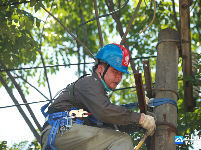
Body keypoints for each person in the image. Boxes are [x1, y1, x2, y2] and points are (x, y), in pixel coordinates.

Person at [41, 43, 156, 150]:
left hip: (66, 135)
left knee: (112, 136)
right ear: (100, 69)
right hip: (60, 132)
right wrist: (141, 118)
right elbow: (105, 111)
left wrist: (139, 123)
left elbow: (112, 124)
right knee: (122, 140)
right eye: (115, 72)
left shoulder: (96, 96)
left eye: (121, 74)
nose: (119, 78)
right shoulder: (89, 83)